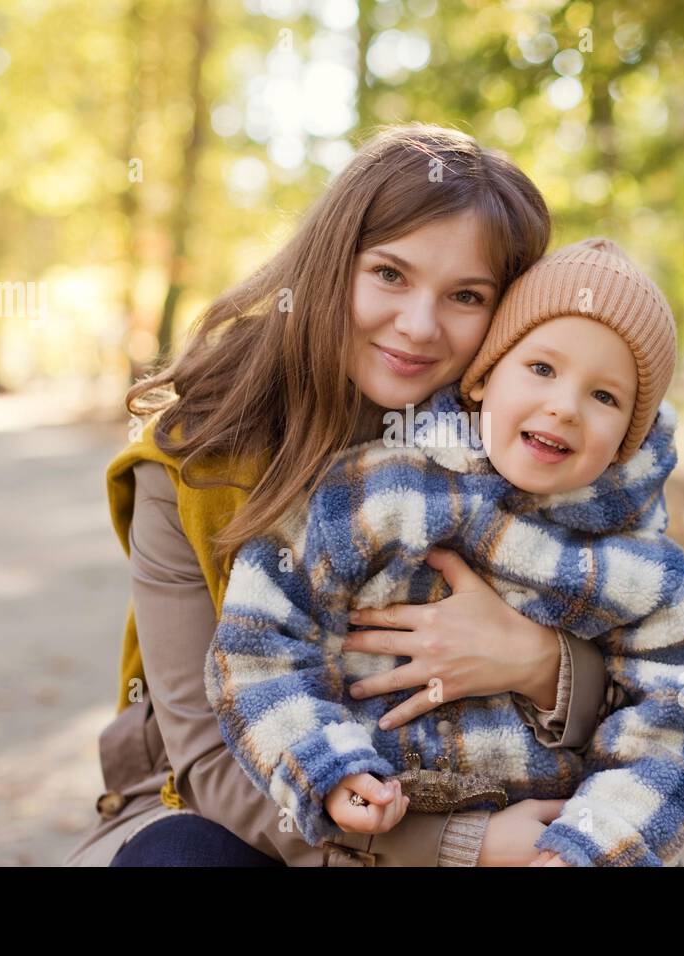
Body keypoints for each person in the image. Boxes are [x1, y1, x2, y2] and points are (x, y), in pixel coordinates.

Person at [64, 124, 620, 867]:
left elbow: (655, 681)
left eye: (465, 295)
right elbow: (206, 762)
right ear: (331, 265)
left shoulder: (530, 439)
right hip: (254, 819)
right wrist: (460, 846)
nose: (418, 326)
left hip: (487, 791)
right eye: (390, 274)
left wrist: (536, 662)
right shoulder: (192, 464)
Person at [207, 238, 684, 866]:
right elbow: (258, 642)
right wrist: (326, 767)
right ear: (484, 377)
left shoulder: (648, 576)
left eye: (605, 397)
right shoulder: (379, 492)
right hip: (374, 843)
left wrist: (597, 841)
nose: (564, 407)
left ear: (631, 434)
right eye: (542, 369)